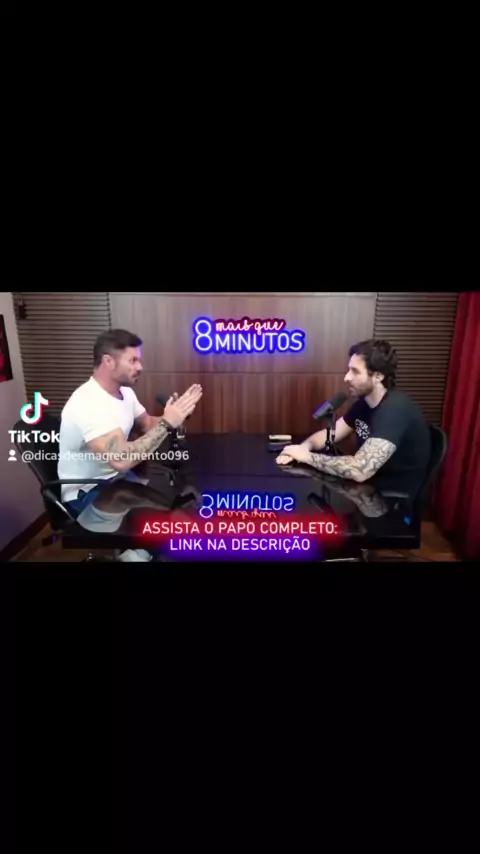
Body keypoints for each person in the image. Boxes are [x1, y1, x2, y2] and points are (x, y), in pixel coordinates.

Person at [58, 328, 203, 560]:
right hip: (88, 496)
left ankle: (139, 552)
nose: (140, 367)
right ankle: (137, 553)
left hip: (119, 481)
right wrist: (168, 423)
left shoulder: (124, 393)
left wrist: (176, 415)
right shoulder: (87, 404)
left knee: (181, 501)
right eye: (133, 360)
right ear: (108, 361)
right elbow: (122, 460)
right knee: (174, 516)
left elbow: (148, 424)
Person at [276, 339, 431, 499]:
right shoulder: (365, 403)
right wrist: (303, 448)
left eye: (355, 372)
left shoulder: (395, 410)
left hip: (391, 500)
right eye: (348, 370)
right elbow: (331, 434)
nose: (347, 377)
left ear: (378, 376)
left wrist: (307, 457)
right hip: (367, 491)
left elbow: (360, 471)